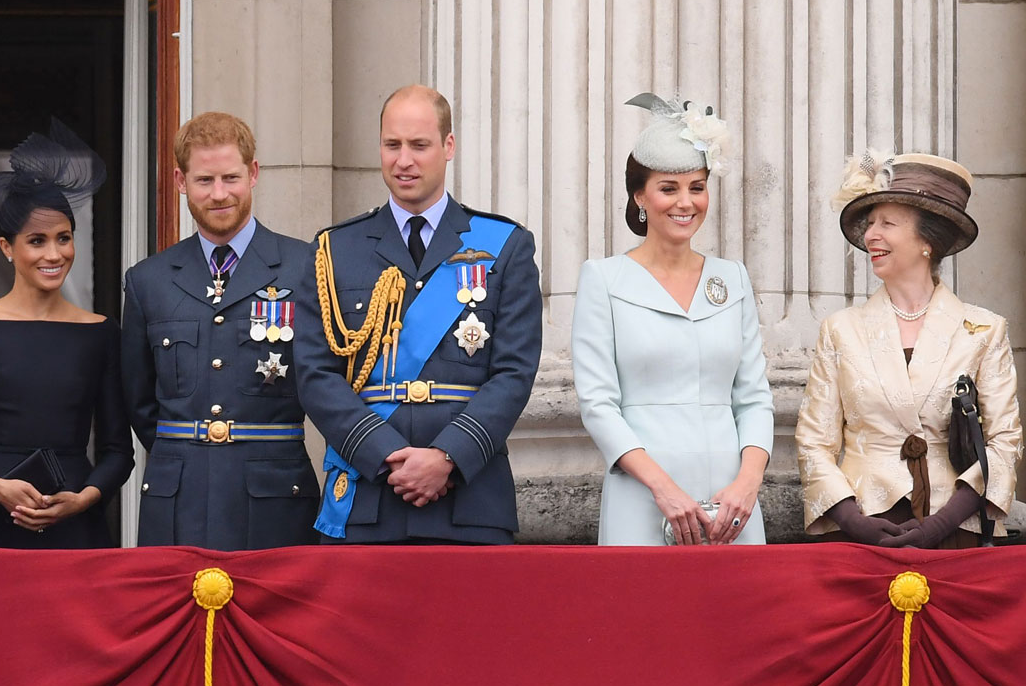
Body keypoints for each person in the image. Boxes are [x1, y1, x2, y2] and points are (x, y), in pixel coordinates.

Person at [293, 85, 543, 544]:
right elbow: (314, 373)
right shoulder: (335, 250)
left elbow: (514, 373)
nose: (404, 160)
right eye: (393, 145)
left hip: (469, 500)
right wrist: (386, 455)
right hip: (369, 497)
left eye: (419, 145)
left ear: (448, 147)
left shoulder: (504, 245)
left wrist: (448, 456)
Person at [571, 95, 773, 546]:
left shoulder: (732, 277)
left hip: (732, 506)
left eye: (697, 187)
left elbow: (755, 399)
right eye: (669, 188)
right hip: (643, 497)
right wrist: (663, 489)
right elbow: (599, 405)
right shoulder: (604, 279)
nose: (686, 202)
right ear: (640, 195)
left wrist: (747, 485)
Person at [0, 123, 132, 548]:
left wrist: (83, 499)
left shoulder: (101, 333)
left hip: (73, 525)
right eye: (37, 241)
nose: (54, 254)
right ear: (6, 248)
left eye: (63, 239)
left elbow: (118, 451)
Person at [795, 152, 1019, 547]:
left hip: (955, 529)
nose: (871, 236)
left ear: (926, 242)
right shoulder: (840, 330)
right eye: (870, 223)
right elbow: (814, 441)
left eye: (888, 223)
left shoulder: (984, 330)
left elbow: (1004, 443)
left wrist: (941, 523)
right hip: (861, 529)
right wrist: (853, 521)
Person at [121, 112, 319, 548]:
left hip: (275, 500)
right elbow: (138, 401)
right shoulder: (147, 281)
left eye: (230, 177)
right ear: (180, 181)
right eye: (204, 180)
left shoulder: (306, 267)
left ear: (253, 174)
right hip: (179, 499)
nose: (218, 194)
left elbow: (327, 384)